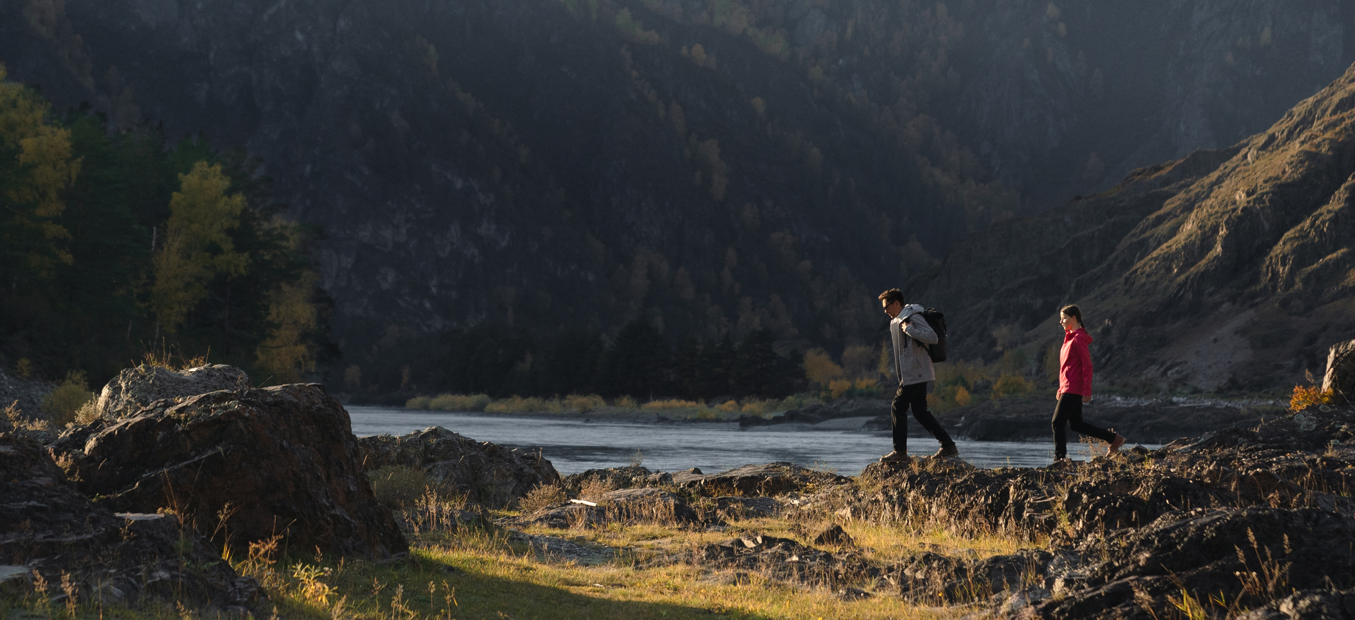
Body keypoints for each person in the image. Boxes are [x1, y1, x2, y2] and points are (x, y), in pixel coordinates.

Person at [878, 289, 958, 463]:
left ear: (897, 303)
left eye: (887, 306)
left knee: (897, 407)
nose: (885, 311)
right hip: (914, 372)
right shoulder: (898, 320)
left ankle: (899, 452)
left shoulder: (912, 317)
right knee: (920, 412)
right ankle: (948, 446)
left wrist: (911, 330)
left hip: (917, 372)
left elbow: (933, 337)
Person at [1052, 304, 1125, 465]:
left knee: (1057, 423)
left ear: (1074, 318)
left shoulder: (1078, 339)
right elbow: (1066, 367)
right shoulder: (1069, 338)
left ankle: (1060, 459)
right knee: (1077, 425)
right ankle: (1114, 439)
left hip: (1074, 389)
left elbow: (1087, 365)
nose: (1061, 321)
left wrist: (1086, 390)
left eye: (1064, 318)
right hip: (1067, 387)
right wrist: (1060, 387)